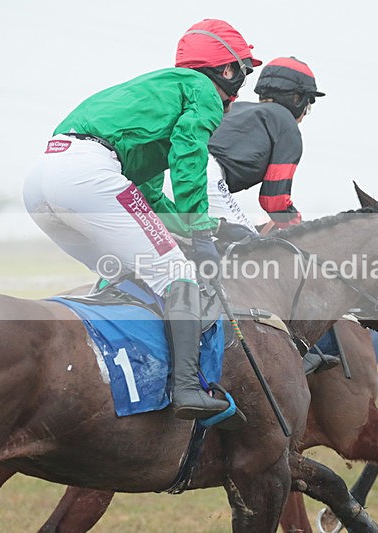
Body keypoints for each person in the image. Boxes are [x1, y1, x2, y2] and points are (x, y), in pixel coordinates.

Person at [23, 19, 261, 421]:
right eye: (245, 71)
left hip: (42, 182)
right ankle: (186, 387)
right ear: (227, 69)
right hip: (88, 176)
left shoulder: (154, 97)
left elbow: (148, 197)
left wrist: (209, 228)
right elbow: (190, 157)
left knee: (125, 272)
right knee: (176, 273)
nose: (242, 84)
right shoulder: (200, 89)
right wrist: (199, 228)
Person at [206, 56, 325, 234]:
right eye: (307, 106)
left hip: (177, 172)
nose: (305, 114)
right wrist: (300, 227)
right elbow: (274, 200)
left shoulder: (236, 109)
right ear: (297, 98)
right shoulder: (286, 123)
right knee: (248, 249)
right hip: (208, 176)